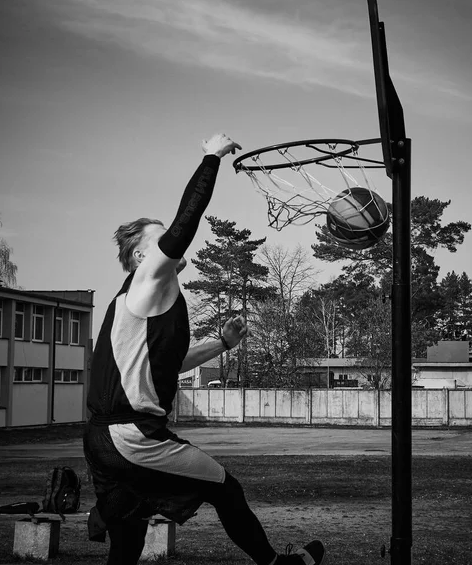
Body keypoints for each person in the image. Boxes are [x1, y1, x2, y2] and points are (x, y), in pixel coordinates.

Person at [83, 133, 325, 565]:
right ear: (141, 256)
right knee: (225, 487)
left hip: (103, 437)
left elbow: (171, 364)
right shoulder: (146, 282)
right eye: (158, 241)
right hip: (131, 436)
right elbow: (187, 219)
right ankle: (276, 564)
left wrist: (223, 344)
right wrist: (211, 156)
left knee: (129, 539)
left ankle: (112, 510)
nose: (171, 242)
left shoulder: (138, 304)